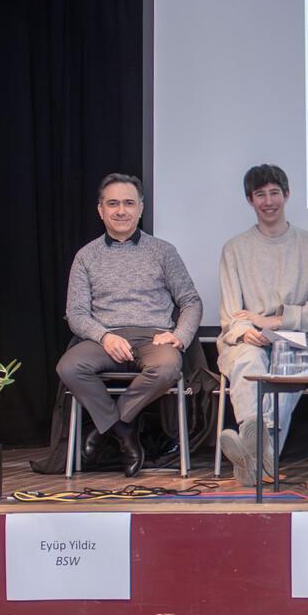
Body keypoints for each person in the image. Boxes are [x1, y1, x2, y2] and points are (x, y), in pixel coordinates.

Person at [57, 173, 203, 477]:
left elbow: (191, 301)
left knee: (166, 368)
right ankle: (124, 432)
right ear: (100, 210)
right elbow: (76, 312)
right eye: (113, 204)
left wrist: (180, 335)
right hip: (105, 339)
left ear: (141, 208)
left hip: (154, 337)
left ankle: (113, 426)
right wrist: (104, 336)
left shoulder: (163, 251)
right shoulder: (86, 256)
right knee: (69, 367)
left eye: (128, 203)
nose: (121, 210)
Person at [216, 165, 308, 486]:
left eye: (274, 193)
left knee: (289, 364)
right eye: (260, 195)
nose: (268, 201)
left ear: (287, 194)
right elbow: (230, 314)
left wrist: (276, 321)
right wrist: (247, 331)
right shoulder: (234, 249)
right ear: (249, 200)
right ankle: (262, 457)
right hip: (247, 338)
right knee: (248, 362)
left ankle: (253, 455)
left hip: (294, 337)